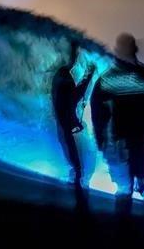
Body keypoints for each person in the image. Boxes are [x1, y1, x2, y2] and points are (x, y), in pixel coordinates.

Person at [90, 33, 144, 216]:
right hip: (140, 135)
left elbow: (97, 107)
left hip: (121, 136)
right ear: (135, 51)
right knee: (138, 174)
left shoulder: (109, 77)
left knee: (125, 185)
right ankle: (136, 199)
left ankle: (125, 216)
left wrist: (100, 136)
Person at [51, 40, 96, 191]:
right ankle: (76, 180)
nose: (75, 60)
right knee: (71, 152)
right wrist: (89, 75)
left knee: (70, 151)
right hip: (64, 120)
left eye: (76, 56)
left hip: (63, 119)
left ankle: (75, 178)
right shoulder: (64, 76)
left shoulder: (61, 74)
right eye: (74, 55)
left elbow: (70, 99)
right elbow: (75, 96)